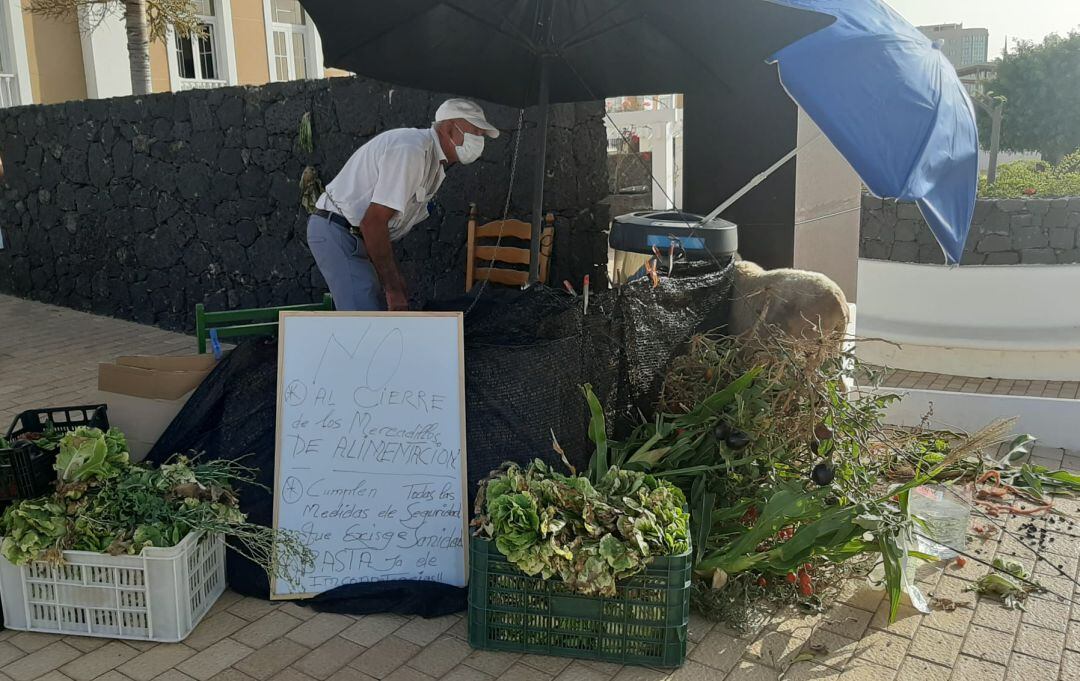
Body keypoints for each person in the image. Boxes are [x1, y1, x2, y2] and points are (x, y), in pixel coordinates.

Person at [307, 98, 500, 311]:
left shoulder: (434, 165)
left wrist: (395, 279)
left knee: (372, 313)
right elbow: (373, 222)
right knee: (366, 320)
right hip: (339, 231)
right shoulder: (412, 151)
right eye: (475, 131)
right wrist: (393, 288)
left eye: (482, 135)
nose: (479, 140)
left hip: (354, 235)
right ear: (448, 128)